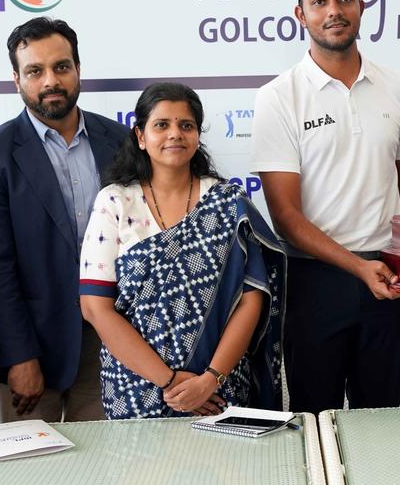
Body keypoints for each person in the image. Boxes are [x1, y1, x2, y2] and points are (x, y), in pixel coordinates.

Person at [252, 0, 400, 414]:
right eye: (320, 1)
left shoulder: (397, 86)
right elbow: (285, 216)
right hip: (314, 283)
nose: (334, 11)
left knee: (380, 422)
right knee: (315, 418)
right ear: (299, 14)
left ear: (362, 7)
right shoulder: (278, 97)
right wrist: (357, 268)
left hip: (390, 279)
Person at [79, 83, 283, 418]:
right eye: (162, 125)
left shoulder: (228, 203)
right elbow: (95, 308)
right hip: (135, 390)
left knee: (228, 471)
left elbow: (251, 299)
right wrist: (171, 382)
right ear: (141, 136)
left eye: (185, 125)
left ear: (197, 136)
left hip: (219, 390)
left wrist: (210, 379)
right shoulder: (115, 201)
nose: (175, 134)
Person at [0, 18, 127, 422]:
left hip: (111, 341)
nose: (50, 81)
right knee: (32, 476)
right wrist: (20, 356)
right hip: (32, 345)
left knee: (108, 470)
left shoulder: (122, 141)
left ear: (78, 69)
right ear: (16, 79)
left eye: (61, 67)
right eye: (35, 71)